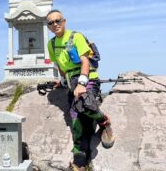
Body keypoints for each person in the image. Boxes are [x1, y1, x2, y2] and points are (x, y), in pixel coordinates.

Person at [46, 10, 115, 171]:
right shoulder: (52, 44)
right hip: (71, 81)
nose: (55, 24)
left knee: (84, 103)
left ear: (64, 21)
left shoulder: (75, 37)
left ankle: (104, 122)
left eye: (58, 21)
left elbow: (85, 62)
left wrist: (82, 83)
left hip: (88, 78)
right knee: (75, 119)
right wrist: (63, 82)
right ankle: (79, 157)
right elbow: (61, 66)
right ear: (48, 26)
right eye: (51, 22)